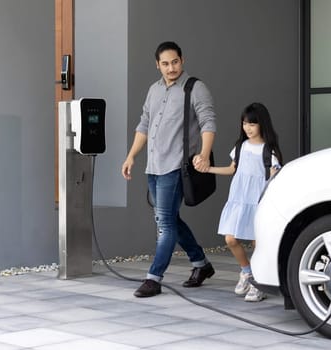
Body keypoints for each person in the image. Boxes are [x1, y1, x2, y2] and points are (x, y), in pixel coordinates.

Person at [121, 41, 217, 298]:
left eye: (175, 62)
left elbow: (208, 122)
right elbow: (144, 125)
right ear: (158, 65)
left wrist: (205, 155)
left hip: (176, 166)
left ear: (182, 60)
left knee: (164, 223)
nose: (171, 67)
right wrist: (131, 156)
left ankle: (154, 278)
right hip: (153, 166)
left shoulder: (195, 88)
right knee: (168, 218)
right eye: (165, 63)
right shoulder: (154, 90)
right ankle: (201, 264)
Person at [202, 102, 283, 302]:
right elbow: (232, 170)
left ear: (262, 125)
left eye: (252, 124)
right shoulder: (240, 146)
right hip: (239, 200)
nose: (247, 128)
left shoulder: (269, 151)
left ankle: (258, 282)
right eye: (245, 123)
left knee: (258, 243)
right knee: (231, 239)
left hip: (258, 203)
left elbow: (275, 178)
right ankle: (246, 271)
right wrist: (209, 169)